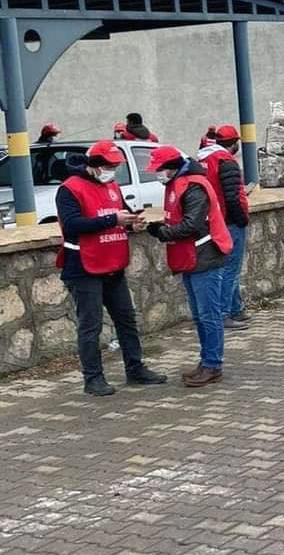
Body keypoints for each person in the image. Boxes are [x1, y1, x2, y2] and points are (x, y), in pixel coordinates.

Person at [55, 141, 167, 396]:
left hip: (113, 263)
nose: (112, 170)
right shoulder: (69, 189)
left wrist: (131, 223)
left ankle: (135, 368)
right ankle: (93, 378)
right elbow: (72, 225)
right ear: (92, 165)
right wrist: (111, 220)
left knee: (126, 319)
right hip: (83, 266)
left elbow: (121, 215)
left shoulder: (112, 186)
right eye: (108, 166)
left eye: (115, 166)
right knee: (90, 325)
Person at [145, 146, 233, 388]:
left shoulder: (193, 186)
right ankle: (207, 362)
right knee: (200, 315)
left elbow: (192, 224)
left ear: (171, 168)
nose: (157, 175)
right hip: (192, 257)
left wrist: (162, 232)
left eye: (159, 170)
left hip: (205, 255)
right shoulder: (180, 183)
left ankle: (213, 365)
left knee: (209, 315)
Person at [198, 124, 252, 330]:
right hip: (228, 221)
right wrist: (241, 219)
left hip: (212, 219)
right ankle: (224, 314)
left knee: (228, 268)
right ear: (234, 143)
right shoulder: (226, 162)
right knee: (231, 269)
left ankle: (236, 308)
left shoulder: (203, 158)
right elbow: (232, 196)